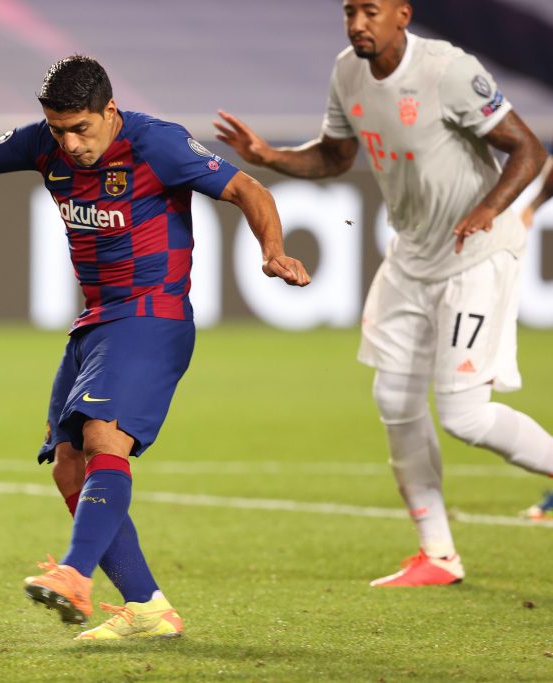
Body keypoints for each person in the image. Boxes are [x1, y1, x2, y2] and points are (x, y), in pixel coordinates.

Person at [0, 55, 310, 636]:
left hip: (151, 315)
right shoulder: (43, 145)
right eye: (59, 130)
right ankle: (147, 608)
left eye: (81, 128)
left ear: (109, 111)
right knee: (67, 466)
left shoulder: (158, 144)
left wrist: (272, 249)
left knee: (105, 438)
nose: (71, 143)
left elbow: (246, 188)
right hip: (96, 322)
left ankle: (75, 574)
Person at [215, 0, 553, 587]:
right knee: (394, 402)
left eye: (369, 11)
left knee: (465, 417)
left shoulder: (448, 69)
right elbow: (335, 156)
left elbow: (529, 149)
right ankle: (438, 555)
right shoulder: (348, 71)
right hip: (410, 257)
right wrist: (270, 156)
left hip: (474, 256)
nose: (357, 24)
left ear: (402, 14)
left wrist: (488, 210)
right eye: (349, 11)